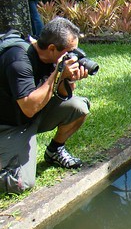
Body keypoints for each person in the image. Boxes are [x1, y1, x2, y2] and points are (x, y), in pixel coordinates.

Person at [0, 17, 90, 194]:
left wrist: (66, 78)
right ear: (51, 48)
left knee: (79, 107)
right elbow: (29, 107)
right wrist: (57, 74)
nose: (74, 56)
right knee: (20, 183)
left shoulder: (52, 59)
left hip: (32, 115)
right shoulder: (18, 59)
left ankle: (54, 152)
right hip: (9, 125)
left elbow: (62, 97)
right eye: (70, 52)